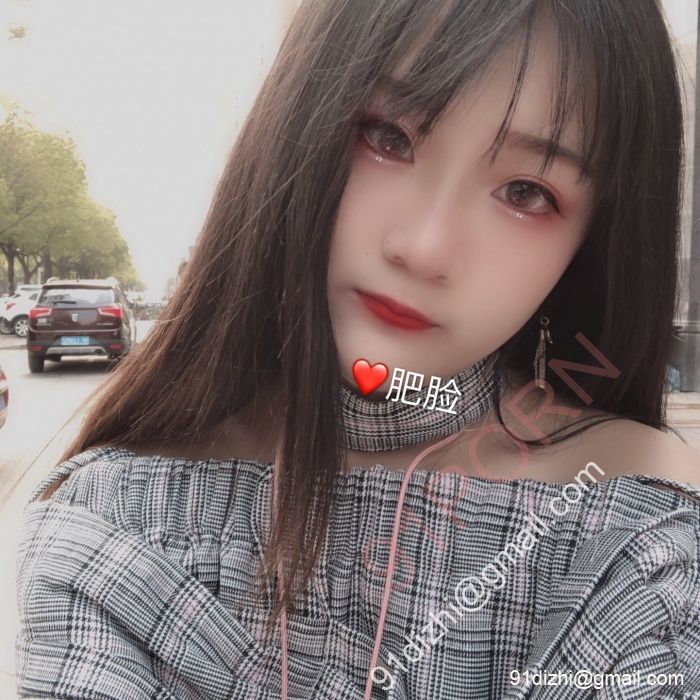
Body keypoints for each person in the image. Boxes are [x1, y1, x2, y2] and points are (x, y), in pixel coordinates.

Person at [15, 1, 700, 698]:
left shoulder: (636, 529)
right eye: (386, 137)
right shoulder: (114, 517)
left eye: (525, 192)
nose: (424, 247)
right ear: (294, 128)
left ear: (590, 247)